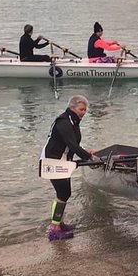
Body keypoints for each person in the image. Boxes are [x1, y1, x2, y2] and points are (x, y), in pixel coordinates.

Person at [41, 94, 98, 241]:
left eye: (85, 110)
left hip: (62, 160)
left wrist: (86, 152)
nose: (84, 112)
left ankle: (59, 224)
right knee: (63, 193)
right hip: (52, 161)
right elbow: (72, 145)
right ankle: (54, 230)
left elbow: (73, 144)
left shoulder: (73, 121)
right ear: (72, 108)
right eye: (81, 109)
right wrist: (88, 157)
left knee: (65, 193)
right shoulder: (64, 122)